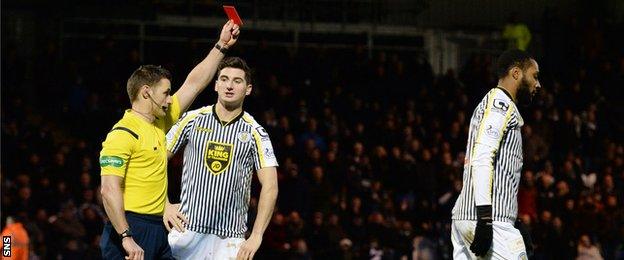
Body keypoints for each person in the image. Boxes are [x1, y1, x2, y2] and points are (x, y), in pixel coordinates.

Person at [98, 20, 240, 260]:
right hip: (131, 228)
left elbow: (193, 84)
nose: (169, 100)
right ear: (146, 92)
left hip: (157, 229)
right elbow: (108, 189)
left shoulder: (159, 123)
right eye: (165, 93)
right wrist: (126, 236)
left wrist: (221, 45)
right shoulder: (122, 134)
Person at [166, 56, 279, 259]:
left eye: (237, 81)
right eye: (224, 79)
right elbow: (154, 160)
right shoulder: (191, 120)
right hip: (187, 232)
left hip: (230, 240)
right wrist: (164, 205)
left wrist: (256, 235)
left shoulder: (256, 133)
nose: (229, 85)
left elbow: (270, 185)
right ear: (216, 85)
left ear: (248, 89)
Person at [451, 49, 541, 259]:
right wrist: (485, 219)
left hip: (468, 217)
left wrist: (514, 220)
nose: (538, 84)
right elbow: (483, 158)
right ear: (516, 73)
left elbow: (500, 172)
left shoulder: (490, 104)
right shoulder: (500, 105)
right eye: (535, 76)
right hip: (490, 220)